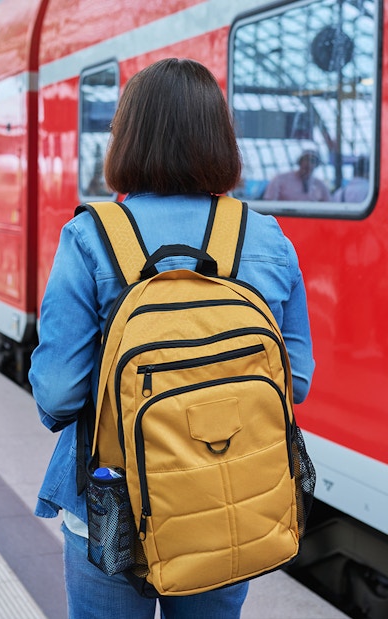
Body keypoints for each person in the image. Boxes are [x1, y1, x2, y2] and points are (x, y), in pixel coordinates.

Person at [28, 58, 315, 619]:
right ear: (221, 138)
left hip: (112, 510)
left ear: (126, 138)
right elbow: (295, 381)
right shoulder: (265, 236)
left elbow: (57, 397)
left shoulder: (91, 236)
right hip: (229, 502)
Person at [263, 149, 331, 201]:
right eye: (306, 160)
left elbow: (328, 205)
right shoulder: (280, 180)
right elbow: (269, 202)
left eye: (313, 161)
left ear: (316, 165)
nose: (309, 164)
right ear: (300, 162)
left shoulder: (320, 185)